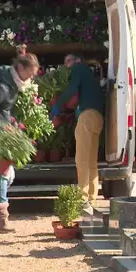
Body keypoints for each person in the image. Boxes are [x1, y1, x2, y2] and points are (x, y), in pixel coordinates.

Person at [0, 45, 40, 233]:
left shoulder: (13, 80)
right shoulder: (2, 87)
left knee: (9, 175)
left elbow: (3, 110)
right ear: (20, 69)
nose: (31, 78)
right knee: (4, 171)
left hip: (0, 130)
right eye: (30, 73)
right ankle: (1, 219)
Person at [50, 54, 104, 211]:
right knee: (92, 161)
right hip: (98, 118)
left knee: (81, 160)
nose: (67, 66)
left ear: (78, 60)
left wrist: (57, 106)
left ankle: (82, 199)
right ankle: (92, 199)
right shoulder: (90, 76)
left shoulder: (79, 69)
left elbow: (72, 89)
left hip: (86, 118)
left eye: (69, 61)